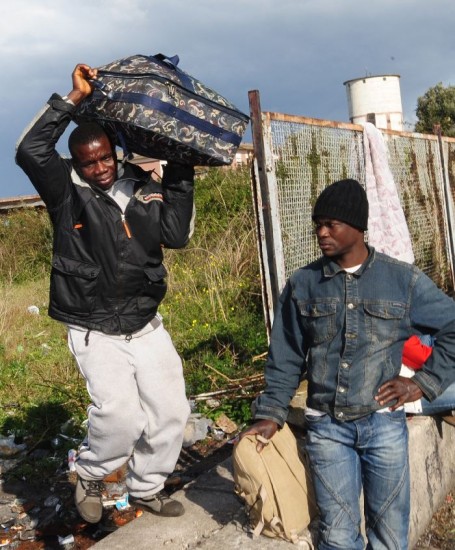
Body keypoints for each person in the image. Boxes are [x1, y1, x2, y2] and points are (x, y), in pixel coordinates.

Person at [15, 64, 195, 523]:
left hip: (144, 319)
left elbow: (175, 235)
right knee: (121, 418)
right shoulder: (65, 193)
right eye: (88, 162)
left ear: (115, 153)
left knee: (172, 410)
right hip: (94, 325)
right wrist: (74, 98)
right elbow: (30, 148)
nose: (98, 169)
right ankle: (92, 472)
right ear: (76, 162)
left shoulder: (143, 187)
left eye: (104, 159)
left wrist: (180, 165)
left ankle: (146, 487)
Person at [241, 179, 455, 549]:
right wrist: (271, 413)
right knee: (338, 536)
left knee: (389, 534)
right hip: (327, 429)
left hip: (384, 424)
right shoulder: (303, 284)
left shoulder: (401, 281)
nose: (321, 233)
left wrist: (421, 384)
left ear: (358, 227)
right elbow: (286, 354)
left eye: (331, 224)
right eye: (317, 225)